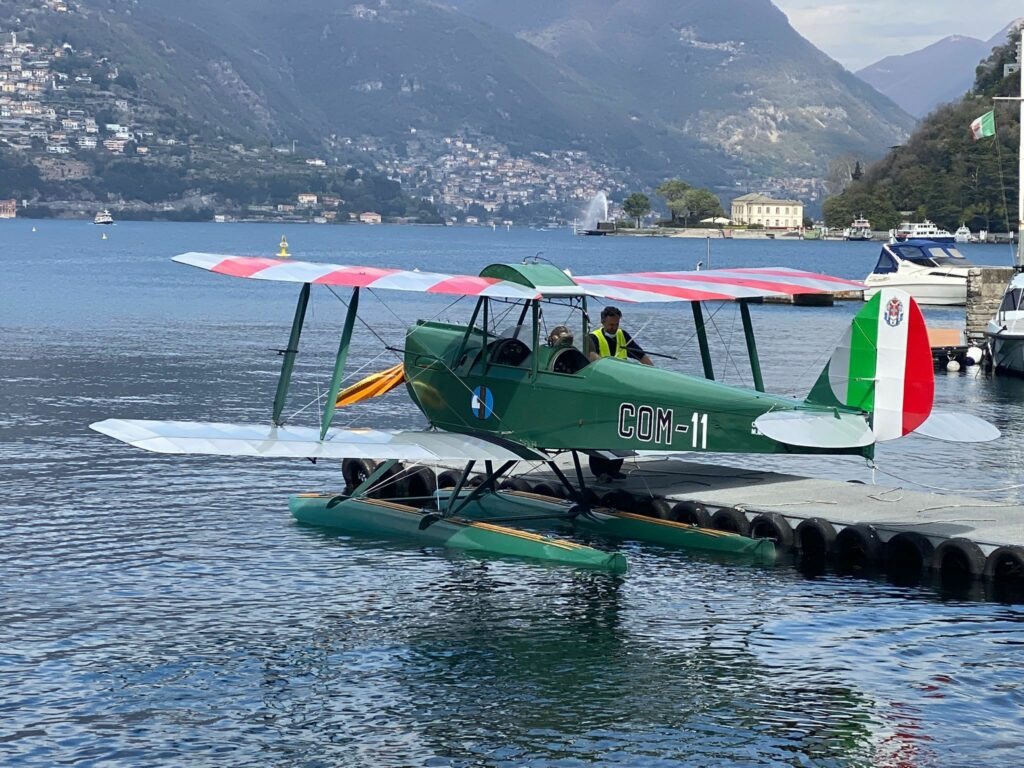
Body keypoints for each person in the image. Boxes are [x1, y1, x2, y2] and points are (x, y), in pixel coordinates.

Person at [586, 306, 653, 365]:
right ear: (603, 322)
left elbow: (641, 355)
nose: (614, 328)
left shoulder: (623, 335)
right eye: (611, 325)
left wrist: (654, 371)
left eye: (617, 324)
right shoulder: (593, 337)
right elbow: (592, 357)